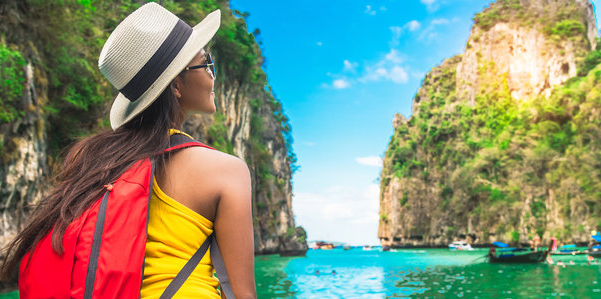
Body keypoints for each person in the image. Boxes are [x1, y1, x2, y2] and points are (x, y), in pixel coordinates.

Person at [0, 3, 256, 299]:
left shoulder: (94, 162)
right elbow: (242, 294)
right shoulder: (226, 171)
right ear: (175, 85)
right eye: (206, 62)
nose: (213, 74)